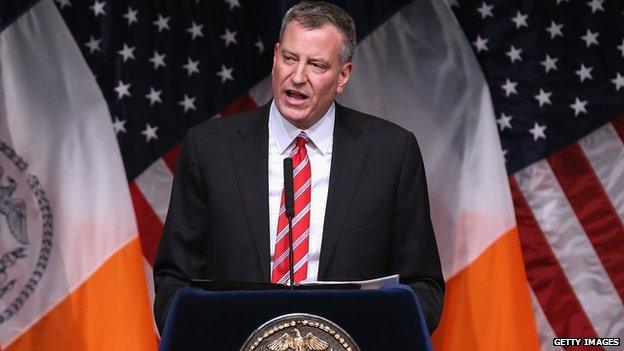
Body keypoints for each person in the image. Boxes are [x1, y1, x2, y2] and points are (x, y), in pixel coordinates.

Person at [153, 0, 444, 335]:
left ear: (343, 75)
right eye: (290, 58)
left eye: (317, 65)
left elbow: (422, 286)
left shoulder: (391, 153)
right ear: (276, 56)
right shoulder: (209, 148)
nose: (298, 76)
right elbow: (174, 280)